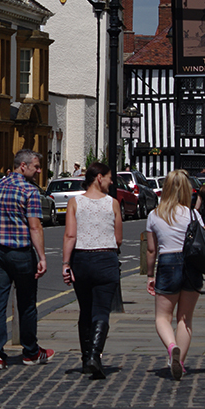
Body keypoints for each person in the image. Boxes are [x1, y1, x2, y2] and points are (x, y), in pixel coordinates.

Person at [146, 169, 205, 381]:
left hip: (168, 264)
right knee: (185, 318)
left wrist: (150, 275)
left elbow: (152, 250)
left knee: (162, 318)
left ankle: (172, 349)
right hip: (192, 265)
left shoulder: (154, 215)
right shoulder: (193, 214)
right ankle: (180, 363)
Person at [0, 149, 53, 370]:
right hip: (21, 252)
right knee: (26, 304)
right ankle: (31, 352)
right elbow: (35, 227)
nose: (39, 170)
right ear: (22, 166)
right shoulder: (29, 191)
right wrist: (42, 256)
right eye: (36, 166)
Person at [61, 162, 122, 379]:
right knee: (101, 311)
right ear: (99, 178)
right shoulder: (113, 204)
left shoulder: (74, 202)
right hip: (106, 259)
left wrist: (66, 264)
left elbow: (70, 236)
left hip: (81, 260)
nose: (111, 181)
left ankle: (86, 358)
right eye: (109, 177)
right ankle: (96, 355)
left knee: (85, 310)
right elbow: (118, 238)